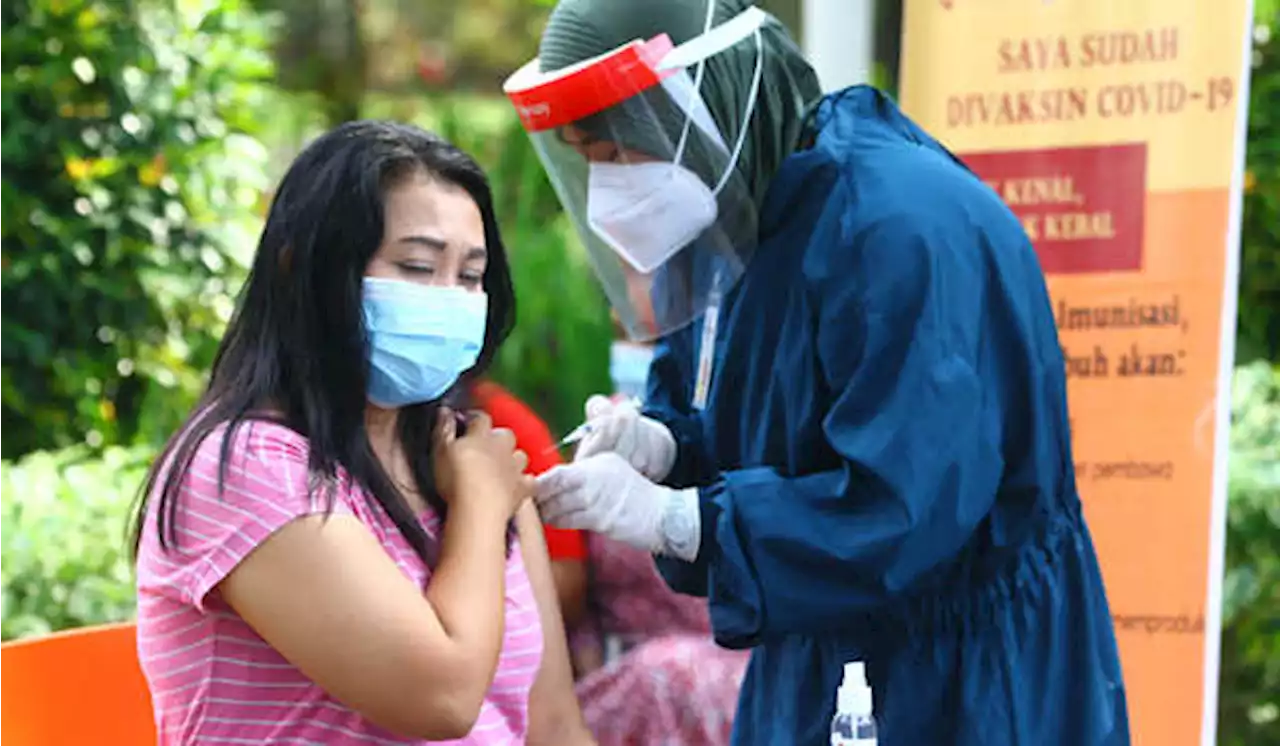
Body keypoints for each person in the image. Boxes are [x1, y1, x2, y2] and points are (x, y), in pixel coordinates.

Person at [503, 1, 1131, 745]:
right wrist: (664, 448)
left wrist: (679, 518)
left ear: (703, 109)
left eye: (617, 153)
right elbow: (755, 431)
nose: (606, 192)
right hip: (811, 658)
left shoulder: (899, 227)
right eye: (586, 160)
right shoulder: (733, 224)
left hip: (964, 684)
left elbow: (902, 508)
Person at [131, 120, 594, 745]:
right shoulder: (246, 467)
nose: (449, 299)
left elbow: (554, 725)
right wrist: (481, 509)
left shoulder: (462, 457)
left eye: (469, 276)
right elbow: (444, 697)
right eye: (417, 266)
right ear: (305, 270)